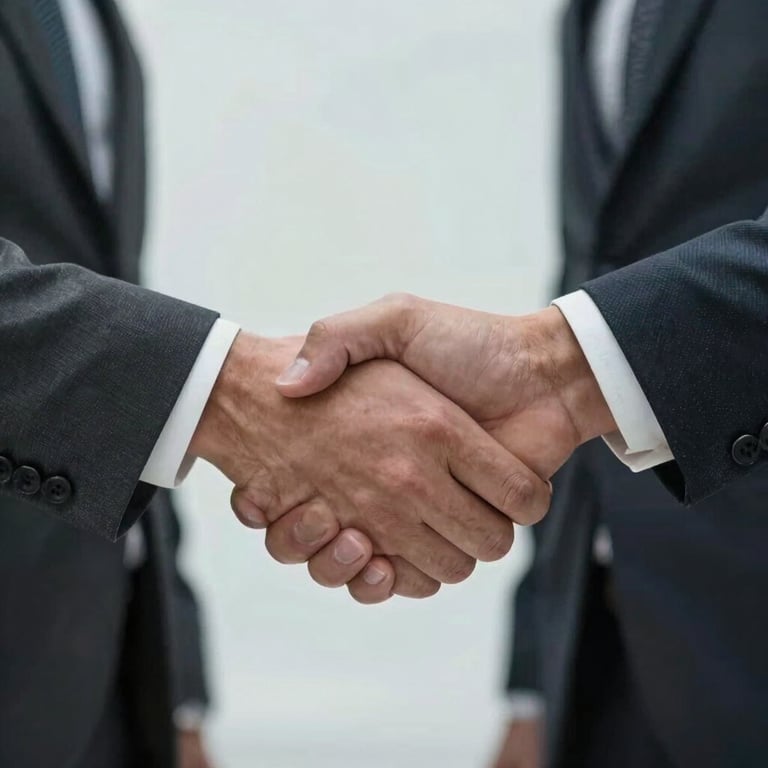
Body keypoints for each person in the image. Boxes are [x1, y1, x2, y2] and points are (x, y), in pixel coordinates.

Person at [0, 1, 551, 765]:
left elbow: (108, 312)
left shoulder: (89, 24)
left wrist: (172, 684)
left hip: (97, 675)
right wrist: (220, 387)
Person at [270, 3, 768, 767]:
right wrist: (535, 680)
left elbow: (591, 345)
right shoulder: (591, 16)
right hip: (615, 646)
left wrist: (557, 365)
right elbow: (596, 280)